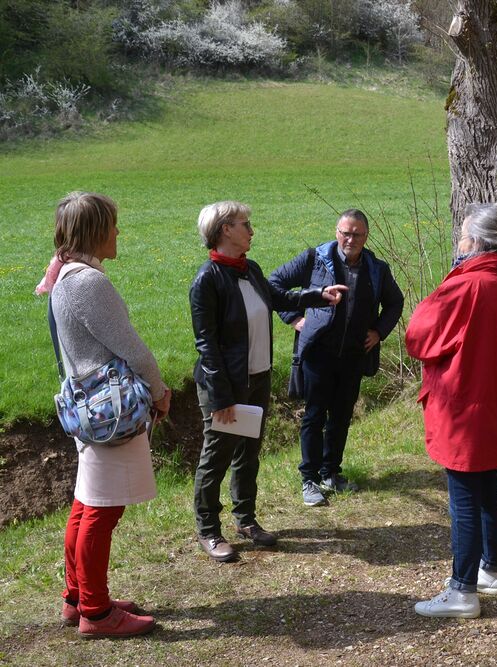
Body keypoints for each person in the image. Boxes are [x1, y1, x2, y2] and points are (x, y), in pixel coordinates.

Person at [41, 191, 170, 638]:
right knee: (101, 511)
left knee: (86, 505)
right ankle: (95, 612)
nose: (118, 232)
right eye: (113, 224)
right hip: (110, 413)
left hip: (89, 409)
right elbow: (132, 348)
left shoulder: (64, 275)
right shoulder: (87, 283)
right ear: (96, 231)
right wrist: (160, 392)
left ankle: (77, 597)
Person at [405, 202, 497, 618]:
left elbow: (418, 338)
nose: (459, 241)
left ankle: (462, 590)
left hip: (464, 408)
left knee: (464, 498)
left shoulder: (465, 286)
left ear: (477, 241)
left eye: (463, 234)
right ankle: (491, 570)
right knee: (488, 491)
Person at [189, 201, 344, 562]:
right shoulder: (207, 280)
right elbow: (206, 344)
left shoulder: (250, 269)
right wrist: (221, 396)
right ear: (225, 230)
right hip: (225, 386)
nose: (251, 230)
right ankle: (208, 530)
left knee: (248, 454)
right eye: (245, 224)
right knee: (216, 457)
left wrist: (318, 296)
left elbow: (279, 298)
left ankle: (245, 520)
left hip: (257, 378)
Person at [270, 209, 404, 506]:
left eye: (357, 234)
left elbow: (395, 302)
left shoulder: (377, 269)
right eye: (345, 233)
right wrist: (294, 318)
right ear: (336, 232)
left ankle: (331, 473)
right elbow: (274, 284)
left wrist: (379, 332)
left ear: (366, 237)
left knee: (342, 416)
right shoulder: (314, 259)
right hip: (318, 353)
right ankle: (309, 479)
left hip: (354, 356)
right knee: (314, 414)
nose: (350, 239)